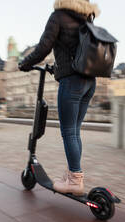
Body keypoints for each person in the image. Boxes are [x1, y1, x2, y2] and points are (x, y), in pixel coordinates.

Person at [18, 0, 100, 196]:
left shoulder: (59, 16)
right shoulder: (87, 17)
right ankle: (73, 175)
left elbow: (43, 47)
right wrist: (57, 67)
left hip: (72, 82)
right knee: (75, 131)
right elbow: (77, 50)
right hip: (89, 81)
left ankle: (74, 180)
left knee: (69, 132)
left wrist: (25, 63)